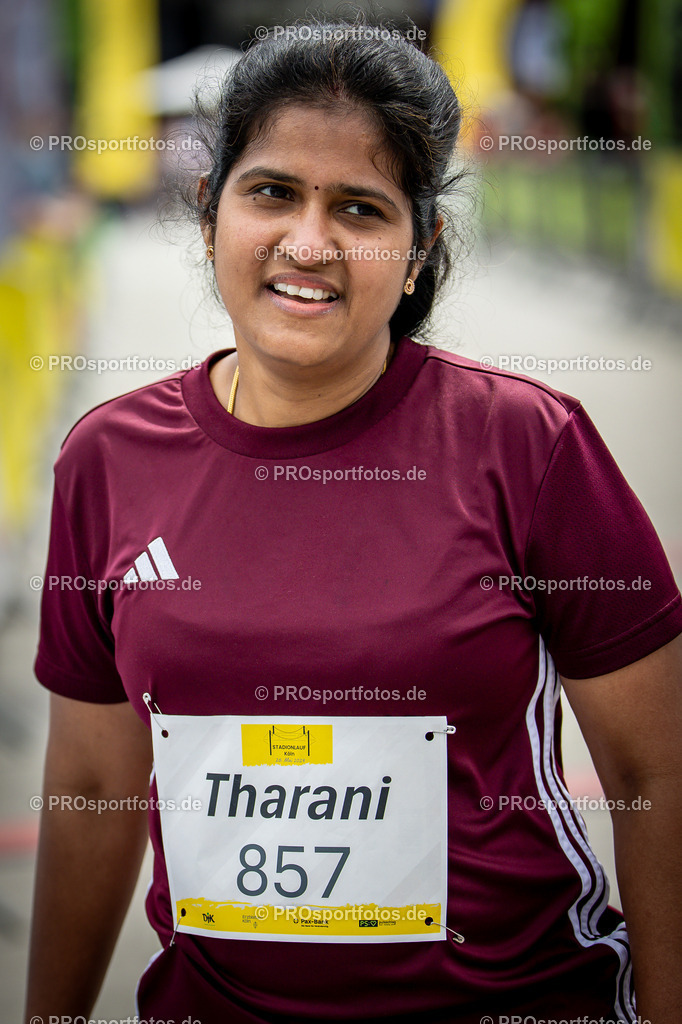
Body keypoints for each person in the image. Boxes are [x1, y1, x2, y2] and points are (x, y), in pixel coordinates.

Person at [25, 16, 682, 1024]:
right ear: (210, 213)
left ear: (420, 251)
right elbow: (88, 782)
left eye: (360, 208)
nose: (308, 241)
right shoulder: (105, 461)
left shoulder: (531, 446)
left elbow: (656, 772)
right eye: (273, 191)